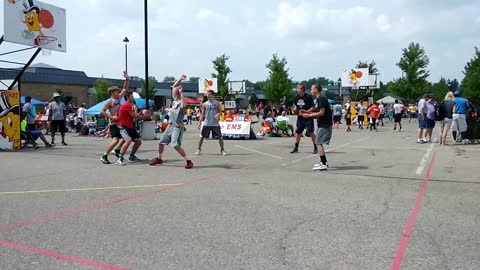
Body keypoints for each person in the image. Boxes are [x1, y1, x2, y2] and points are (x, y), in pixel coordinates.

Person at [149, 75, 193, 169]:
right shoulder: (175, 100)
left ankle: (188, 161)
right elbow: (174, 86)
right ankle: (159, 158)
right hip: (170, 125)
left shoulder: (181, 101)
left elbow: (184, 105)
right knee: (161, 143)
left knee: (175, 145)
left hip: (177, 127)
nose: (174, 89)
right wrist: (180, 79)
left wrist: (181, 93)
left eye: (175, 90)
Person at [300, 84, 333, 171]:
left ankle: (323, 164)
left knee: (318, 142)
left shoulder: (321, 99)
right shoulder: (318, 99)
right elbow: (318, 111)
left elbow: (322, 113)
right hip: (322, 124)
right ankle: (323, 162)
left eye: (311, 89)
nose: (310, 91)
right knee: (318, 142)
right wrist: (307, 112)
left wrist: (308, 115)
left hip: (325, 124)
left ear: (316, 89)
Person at [100, 71, 129, 164]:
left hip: (120, 123)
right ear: (112, 92)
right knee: (116, 140)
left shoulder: (119, 98)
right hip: (114, 123)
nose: (119, 92)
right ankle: (104, 156)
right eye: (117, 91)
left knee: (126, 138)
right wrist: (111, 116)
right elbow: (102, 111)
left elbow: (125, 88)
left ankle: (116, 151)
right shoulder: (110, 101)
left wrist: (127, 79)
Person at [115, 92, 150, 165]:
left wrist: (140, 113)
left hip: (130, 127)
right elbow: (135, 116)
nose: (133, 98)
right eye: (131, 96)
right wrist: (145, 117)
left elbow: (134, 115)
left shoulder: (131, 105)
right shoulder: (126, 105)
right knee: (128, 140)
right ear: (127, 97)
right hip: (123, 126)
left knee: (138, 142)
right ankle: (119, 159)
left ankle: (132, 156)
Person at [196, 90, 227, 156]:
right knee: (202, 137)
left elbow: (220, 111)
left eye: (209, 94)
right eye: (207, 94)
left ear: (212, 95)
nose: (208, 95)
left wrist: (218, 114)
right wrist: (199, 122)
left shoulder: (216, 103)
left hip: (215, 123)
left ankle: (222, 150)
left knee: (220, 137)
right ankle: (198, 149)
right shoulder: (205, 104)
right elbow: (202, 114)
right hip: (207, 123)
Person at [291, 84, 317, 154]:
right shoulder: (296, 98)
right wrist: (294, 110)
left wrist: (306, 112)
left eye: (298, 89)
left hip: (308, 117)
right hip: (300, 118)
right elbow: (296, 107)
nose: (297, 90)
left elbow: (313, 107)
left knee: (311, 132)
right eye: (297, 89)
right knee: (298, 132)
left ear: (302, 90)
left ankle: (316, 147)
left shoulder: (308, 97)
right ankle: (296, 147)